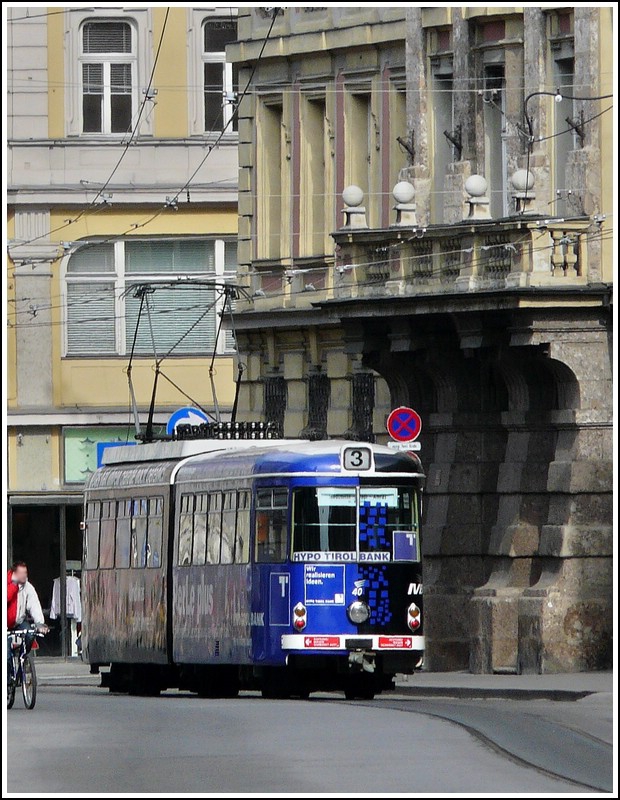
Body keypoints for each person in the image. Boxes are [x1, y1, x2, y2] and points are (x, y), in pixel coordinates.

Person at [7, 562, 48, 676]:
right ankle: (8, 681)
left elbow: (34, 604)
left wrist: (40, 623)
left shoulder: (28, 587)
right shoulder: (7, 583)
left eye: (25, 572)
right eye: (21, 573)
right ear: (14, 574)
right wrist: (13, 585)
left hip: (19, 621)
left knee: (30, 634)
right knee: (6, 655)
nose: (24, 575)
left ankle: (23, 660)